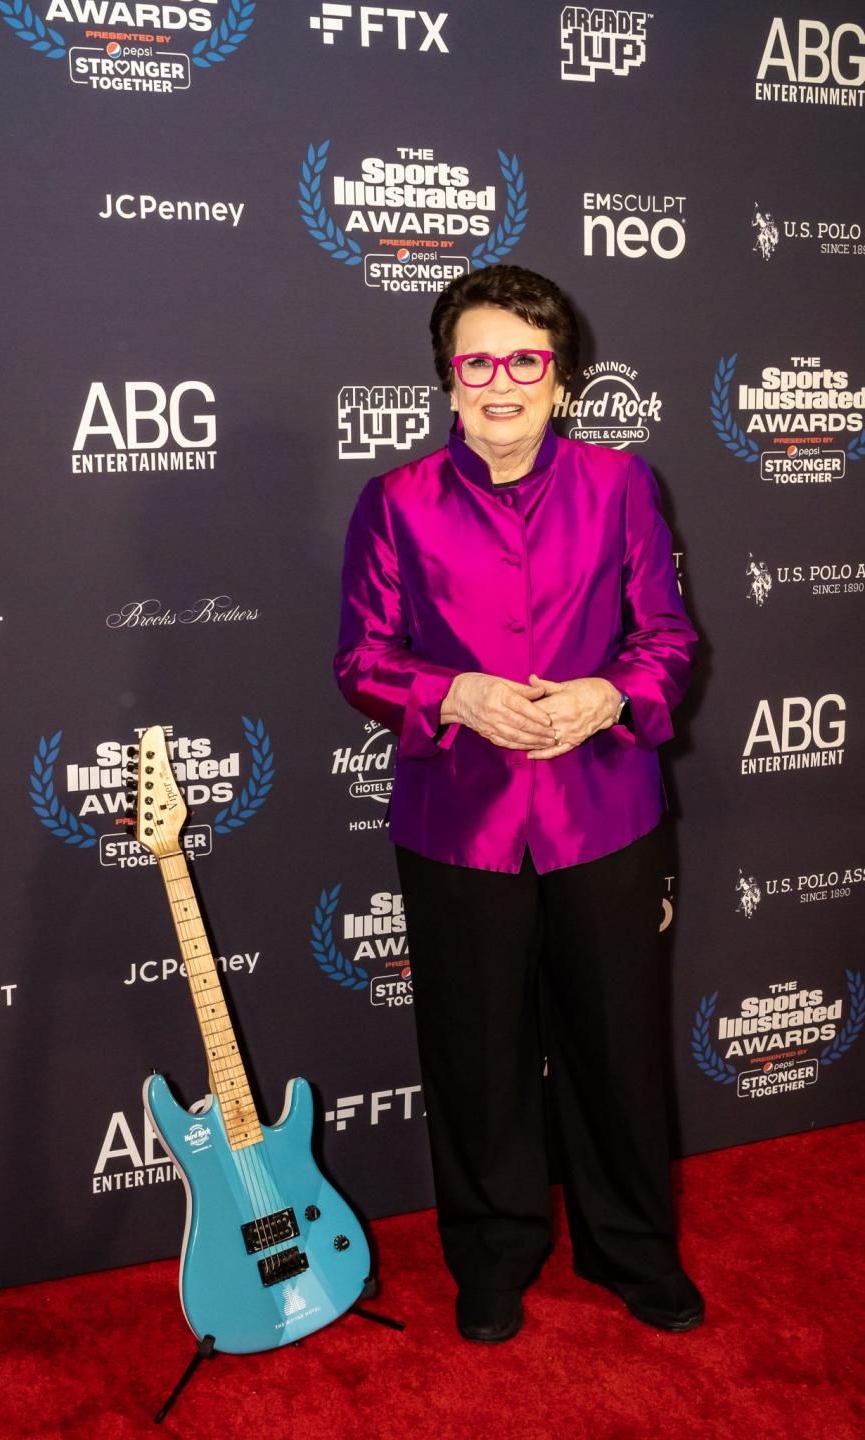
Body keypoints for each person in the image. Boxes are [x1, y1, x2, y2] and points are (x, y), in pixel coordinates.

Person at [334, 263, 701, 1343]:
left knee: (618, 1051)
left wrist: (607, 694)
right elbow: (362, 658)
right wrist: (458, 693)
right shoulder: (394, 502)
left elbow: (666, 639)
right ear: (449, 382)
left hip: (607, 811)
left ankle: (632, 1249)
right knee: (477, 1053)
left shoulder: (623, 485)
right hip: (460, 821)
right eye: (478, 361)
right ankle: (493, 1254)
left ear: (564, 378)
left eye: (526, 361)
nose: (503, 383)